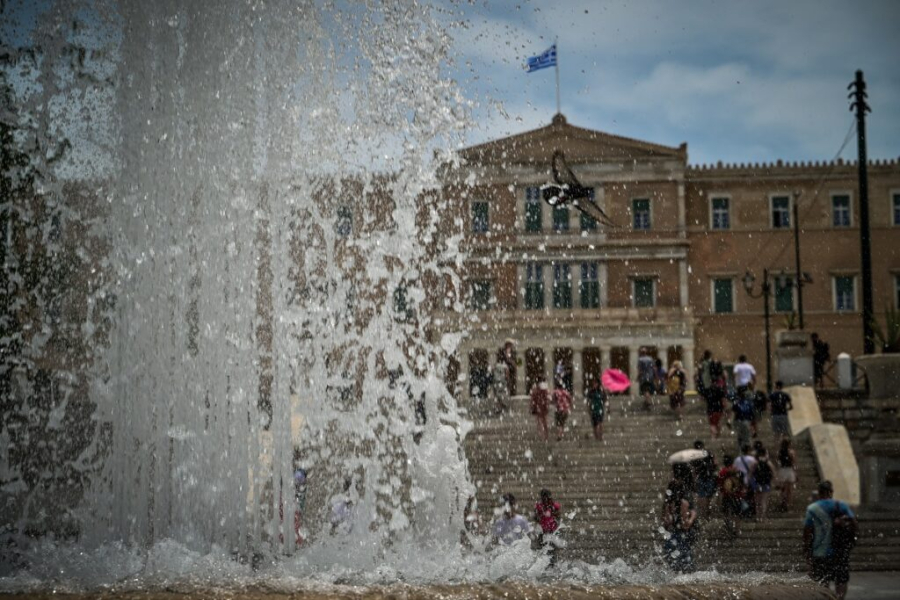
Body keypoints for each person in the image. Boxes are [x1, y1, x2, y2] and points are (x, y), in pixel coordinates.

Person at [803, 481, 858, 599]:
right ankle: (839, 598)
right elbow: (854, 523)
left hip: (820, 551)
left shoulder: (812, 508)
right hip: (840, 550)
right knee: (841, 579)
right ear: (831, 492)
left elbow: (807, 531)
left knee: (823, 580)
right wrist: (851, 539)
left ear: (819, 493)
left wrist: (807, 550)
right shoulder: (840, 505)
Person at [661, 465, 698, 573]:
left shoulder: (675, 487)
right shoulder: (685, 488)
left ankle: (679, 573)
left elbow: (667, 517)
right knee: (685, 558)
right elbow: (689, 511)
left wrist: (683, 520)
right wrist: (690, 520)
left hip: (676, 531)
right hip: (682, 531)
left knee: (675, 558)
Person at [717, 454, 746, 537]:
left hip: (726, 495)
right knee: (737, 514)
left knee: (726, 513)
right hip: (737, 495)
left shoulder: (722, 472)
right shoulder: (738, 470)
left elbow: (719, 484)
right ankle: (737, 530)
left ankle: (728, 528)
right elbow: (743, 483)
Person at [534, 489, 562, 565]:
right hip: (543, 532)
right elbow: (535, 518)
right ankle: (545, 564)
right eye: (544, 497)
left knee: (552, 549)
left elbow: (558, 516)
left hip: (552, 531)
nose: (545, 498)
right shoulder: (539, 506)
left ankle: (552, 564)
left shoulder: (554, 505)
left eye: (546, 497)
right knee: (542, 549)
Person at [693, 440, 718, 519]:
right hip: (709, 476)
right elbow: (715, 463)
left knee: (702, 495)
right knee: (708, 495)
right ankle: (707, 511)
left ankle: (704, 513)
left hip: (701, 477)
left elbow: (694, 470)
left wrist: (694, 480)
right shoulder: (709, 453)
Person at [776, 438, 798, 511]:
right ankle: (788, 504)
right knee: (789, 490)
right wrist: (796, 472)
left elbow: (778, 463)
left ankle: (783, 502)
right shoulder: (791, 452)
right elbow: (794, 463)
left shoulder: (780, 452)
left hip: (782, 470)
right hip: (789, 470)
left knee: (783, 489)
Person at [754, 447, 774, 521]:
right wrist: (773, 481)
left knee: (757, 501)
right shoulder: (768, 462)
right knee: (764, 500)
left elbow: (751, 472)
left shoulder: (756, 462)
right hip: (766, 483)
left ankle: (757, 516)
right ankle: (763, 516)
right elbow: (773, 471)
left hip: (757, 483)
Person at [586, 377, 608, 441]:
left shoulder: (601, 391)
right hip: (593, 410)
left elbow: (605, 399)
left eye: (595, 383)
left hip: (600, 409)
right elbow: (588, 401)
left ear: (598, 384)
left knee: (600, 423)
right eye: (593, 383)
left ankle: (600, 436)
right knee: (595, 425)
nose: (594, 384)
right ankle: (596, 437)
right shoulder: (591, 392)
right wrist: (589, 409)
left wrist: (607, 406)